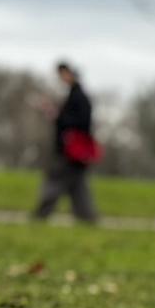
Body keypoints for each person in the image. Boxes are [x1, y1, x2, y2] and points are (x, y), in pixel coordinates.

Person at [33, 61, 99, 223]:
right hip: (74, 151)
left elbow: (81, 123)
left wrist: (57, 116)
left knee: (56, 180)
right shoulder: (74, 95)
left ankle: (42, 214)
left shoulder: (78, 97)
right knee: (78, 186)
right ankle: (86, 217)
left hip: (70, 150)